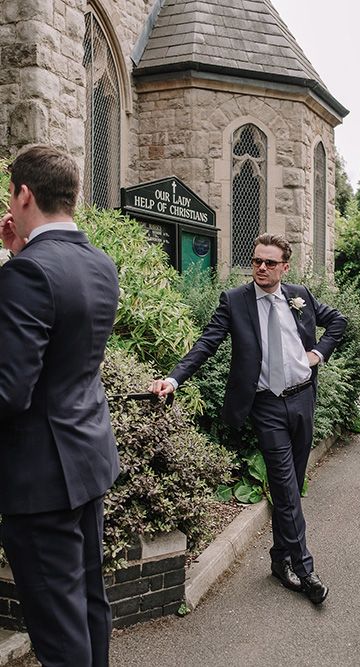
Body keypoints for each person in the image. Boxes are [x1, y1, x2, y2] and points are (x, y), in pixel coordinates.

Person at [150, 233, 346, 604]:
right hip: (265, 406)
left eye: (270, 263)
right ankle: (305, 569)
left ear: (285, 267)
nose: (261, 267)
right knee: (286, 488)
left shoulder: (299, 295)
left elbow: (338, 323)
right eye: (257, 261)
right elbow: (206, 343)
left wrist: (318, 354)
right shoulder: (236, 301)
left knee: (293, 484)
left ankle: (278, 560)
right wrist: (174, 379)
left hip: (302, 399)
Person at [0, 145, 120, 666]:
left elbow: (9, 390)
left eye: (11, 191)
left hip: (39, 480)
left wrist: (15, 265)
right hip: (87, 460)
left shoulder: (26, 274)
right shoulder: (100, 263)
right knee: (90, 605)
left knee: (58, 631)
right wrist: (18, 253)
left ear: (25, 194)